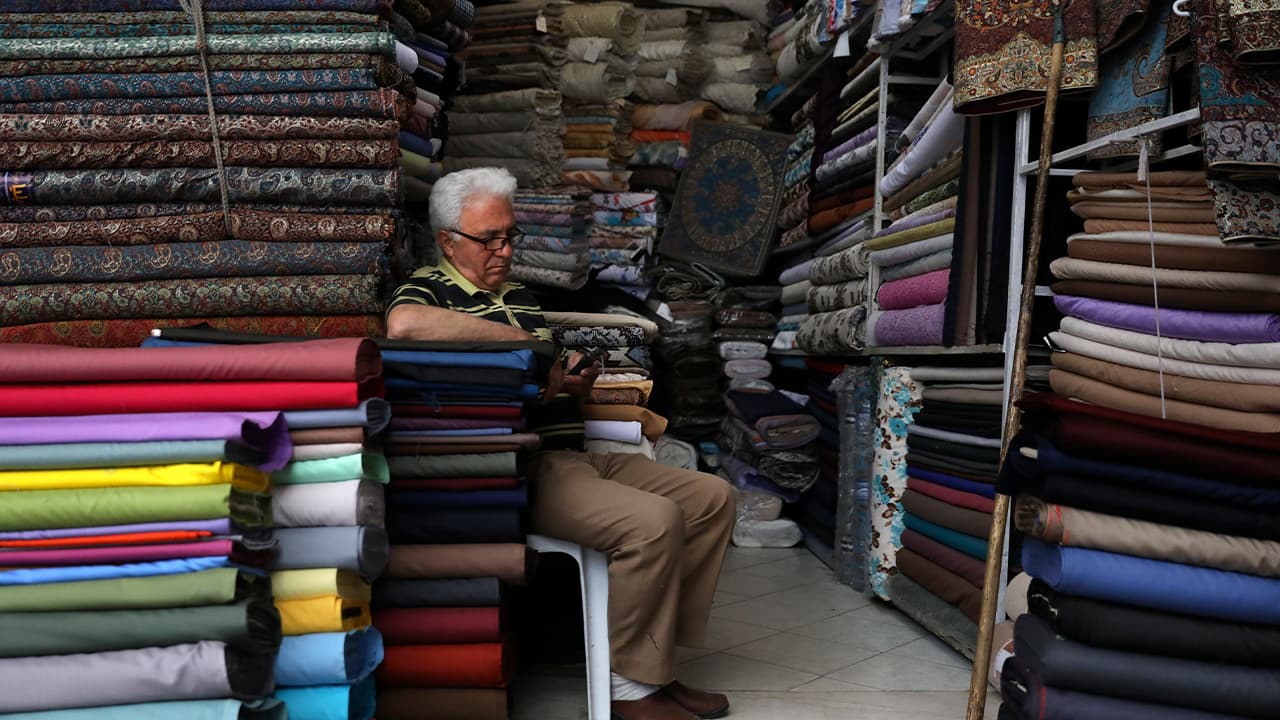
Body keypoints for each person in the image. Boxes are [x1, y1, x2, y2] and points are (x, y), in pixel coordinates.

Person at [386, 167, 737, 720]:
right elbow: (404, 326)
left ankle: (657, 667)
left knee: (712, 498)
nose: (505, 250)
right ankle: (629, 693)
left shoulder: (520, 297)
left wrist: (567, 381)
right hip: (519, 465)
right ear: (448, 242)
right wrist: (527, 343)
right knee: (653, 523)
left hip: (575, 453)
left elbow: (536, 382)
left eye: (510, 236)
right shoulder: (427, 288)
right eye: (489, 239)